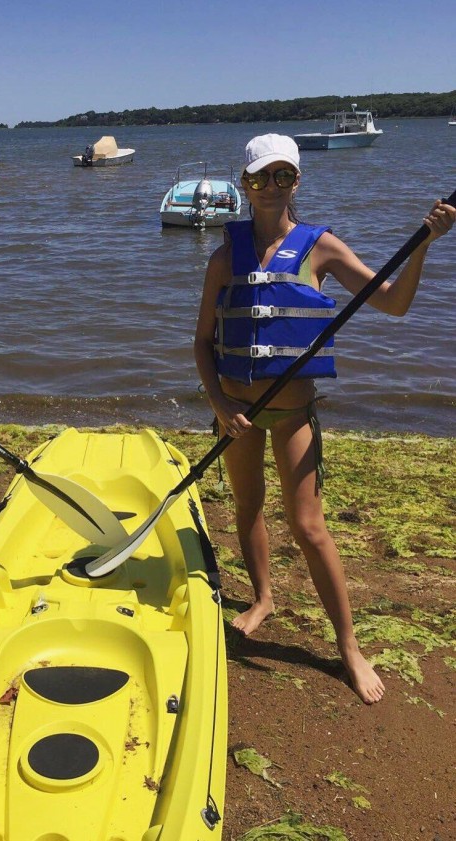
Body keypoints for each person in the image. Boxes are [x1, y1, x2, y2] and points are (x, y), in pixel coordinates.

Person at [194, 134, 454, 704]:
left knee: (309, 526)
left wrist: (425, 244)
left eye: (283, 176)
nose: (271, 187)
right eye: (261, 177)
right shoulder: (223, 256)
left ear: (297, 182)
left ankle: (349, 648)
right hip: (237, 415)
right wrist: (221, 405)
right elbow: (202, 344)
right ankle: (263, 597)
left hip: (291, 415)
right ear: (244, 184)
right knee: (247, 505)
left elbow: (393, 302)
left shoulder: (322, 248)